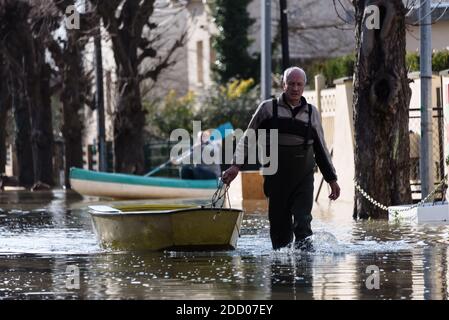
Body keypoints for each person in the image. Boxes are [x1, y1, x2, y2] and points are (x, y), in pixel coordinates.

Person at [222, 67, 340, 250]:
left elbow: (322, 149)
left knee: (303, 223)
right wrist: (236, 166)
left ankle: (304, 268)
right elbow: (248, 138)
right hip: (276, 179)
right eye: (291, 84)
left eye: (299, 84)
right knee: (280, 231)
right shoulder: (268, 109)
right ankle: (281, 271)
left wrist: (332, 179)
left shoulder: (311, 113)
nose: (295, 88)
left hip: (303, 179)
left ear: (304, 86)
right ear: (283, 85)